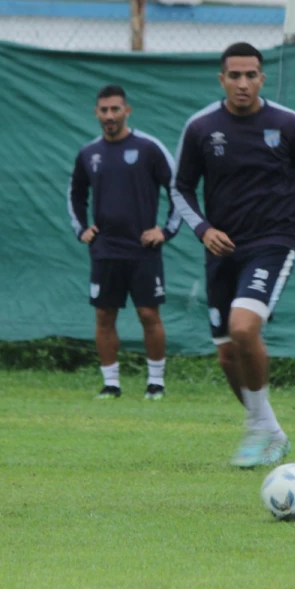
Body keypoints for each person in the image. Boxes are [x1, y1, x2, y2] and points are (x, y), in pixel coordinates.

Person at [172, 42, 295, 468]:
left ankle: (256, 429)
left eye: (251, 75)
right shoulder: (202, 127)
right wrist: (203, 229)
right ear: (221, 78)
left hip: (273, 243)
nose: (243, 83)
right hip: (221, 249)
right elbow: (180, 187)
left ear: (262, 78)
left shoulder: (289, 123)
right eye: (235, 75)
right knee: (227, 355)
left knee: (243, 329)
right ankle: (271, 432)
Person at [67, 84, 182, 400]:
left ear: (127, 111)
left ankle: (156, 383)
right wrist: (82, 230)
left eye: (115, 109)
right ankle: (111, 385)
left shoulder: (148, 148)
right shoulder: (89, 154)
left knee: (148, 314)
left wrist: (165, 231)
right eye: (103, 110)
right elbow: (75, 195)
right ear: (96, 113)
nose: (109, 116)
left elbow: (177, 190)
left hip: (144, 249)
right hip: (105, 250)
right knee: (104, 317)